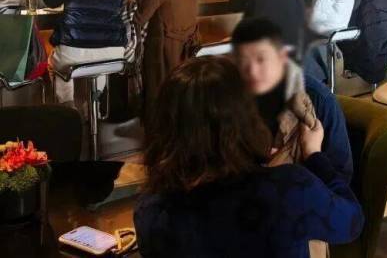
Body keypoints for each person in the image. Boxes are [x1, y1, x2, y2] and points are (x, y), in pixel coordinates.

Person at [134, 56, 363, 258]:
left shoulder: (150, 211)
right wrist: (314, 155)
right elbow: (352, 222)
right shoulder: (289, 190)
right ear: (245, 120)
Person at [231, 18, 352, 182]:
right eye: (244, 60)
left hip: (305, 191)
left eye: (261, 59)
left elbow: (341, 176)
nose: (252, 70)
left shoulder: (318, 100)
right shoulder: (233, 98)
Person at [44, 0, 127, 104]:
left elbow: (50, 1)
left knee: (56, 67)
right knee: (99, 68)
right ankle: (95, 103)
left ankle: (68, 107)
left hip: (73, 51)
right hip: (113, 53)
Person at [135, 0, 199, 121]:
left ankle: (158, 132)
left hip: (163, 49)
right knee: (182, 92)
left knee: (160, 94)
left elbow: (141, 18)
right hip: (188, 47)